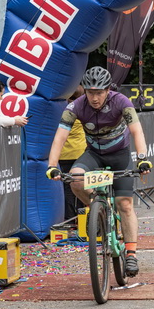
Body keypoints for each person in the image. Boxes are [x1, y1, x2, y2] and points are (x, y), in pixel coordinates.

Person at [46, 66, 152, 277]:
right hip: (93, 155)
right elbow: (60, 136)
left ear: (107, 90)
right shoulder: (76, 106)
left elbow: (136, 130)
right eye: (90, 92)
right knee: (75, 179)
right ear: (85, 91)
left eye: (99, 92)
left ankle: (131, 254)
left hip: (120, 156)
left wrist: (142, 159)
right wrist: (52, 165)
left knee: (125, 204)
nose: (95, 98)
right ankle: (97, 209)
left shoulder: (121, 101)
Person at [59, 85, 86, 221]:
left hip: (63, 154)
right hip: (80, 153)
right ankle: (81, 217)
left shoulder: (62, 111)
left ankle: (69, 218)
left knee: (67, 188)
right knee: (81, 186)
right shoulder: (82, 110)